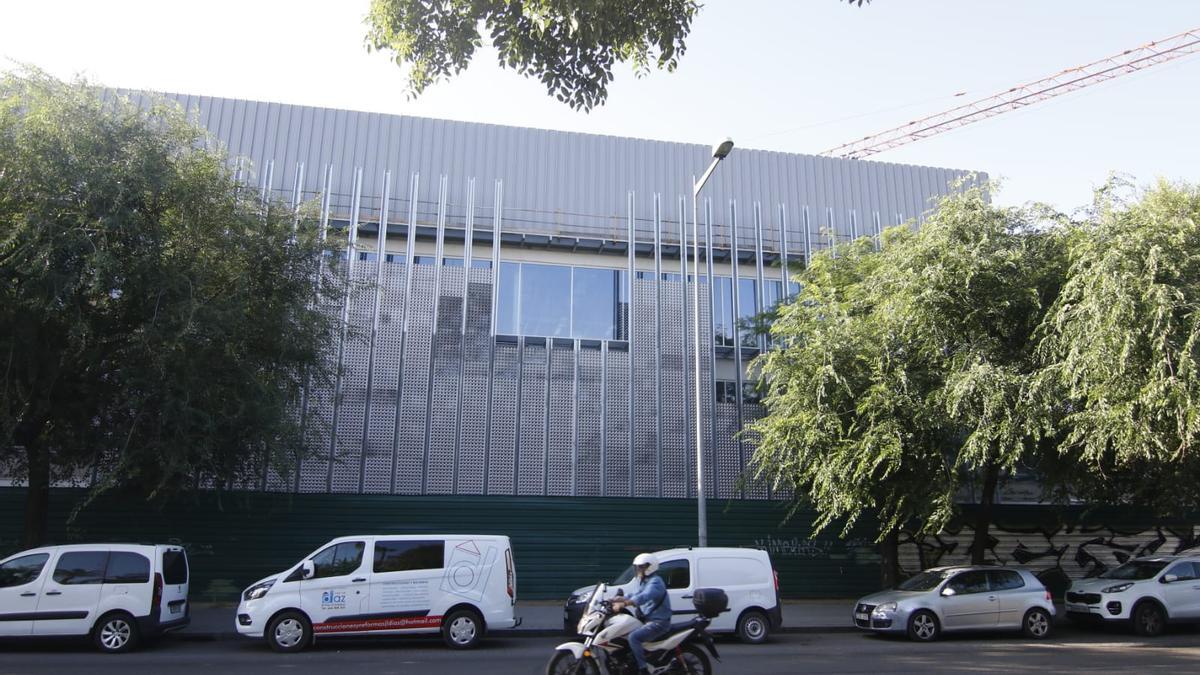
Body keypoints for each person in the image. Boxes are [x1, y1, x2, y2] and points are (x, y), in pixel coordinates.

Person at [611, 553, 672, 675]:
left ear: (649, 567)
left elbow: (644, 596)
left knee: (633, 637)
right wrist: (615, 599)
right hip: (648, 620)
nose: (638, 570)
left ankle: (643, 669)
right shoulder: (645, 581)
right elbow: (635, 594)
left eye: (641, 567)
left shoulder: (656, 582)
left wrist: (624, 604)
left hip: (658, 623)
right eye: (637, 567)